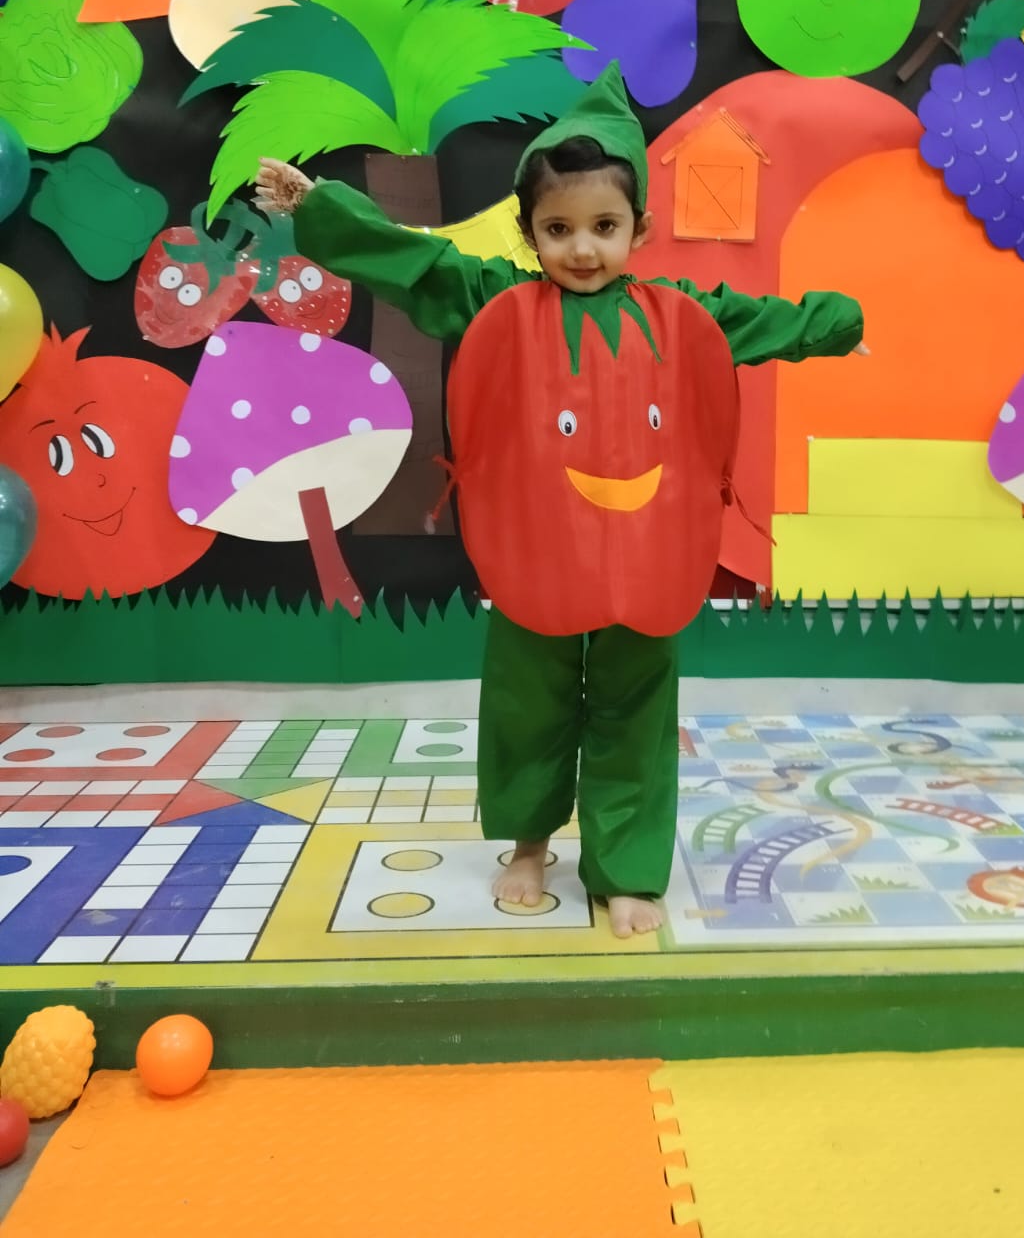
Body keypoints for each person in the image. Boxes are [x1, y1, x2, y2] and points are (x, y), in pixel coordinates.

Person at [255, 63, 865, 938]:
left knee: (636, 709)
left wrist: (839, 323)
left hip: (646, 560)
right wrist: (322, 209)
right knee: (527, 702)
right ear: (528, 231)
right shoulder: (498, 304)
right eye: (558, 228)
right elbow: (418, 266)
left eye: (604, 227)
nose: (582, 250)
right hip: (537, 556)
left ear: (639, 228)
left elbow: (762, 321)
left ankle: (627, 867)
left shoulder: (677, 313)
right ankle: (530, 844)